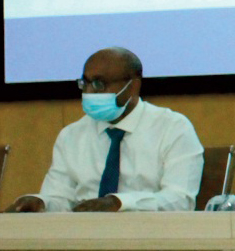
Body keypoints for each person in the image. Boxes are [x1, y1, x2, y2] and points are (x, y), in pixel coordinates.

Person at [4, 47, 204, 213]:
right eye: (85, 83)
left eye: (99, 84)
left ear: (133, 87)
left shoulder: (173, 128)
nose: (89, 92)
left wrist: (119, 203)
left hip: (149, 237)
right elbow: (61, 199)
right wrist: (41, 203)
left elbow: (180, 200)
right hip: (83, 238)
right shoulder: (72, 135)